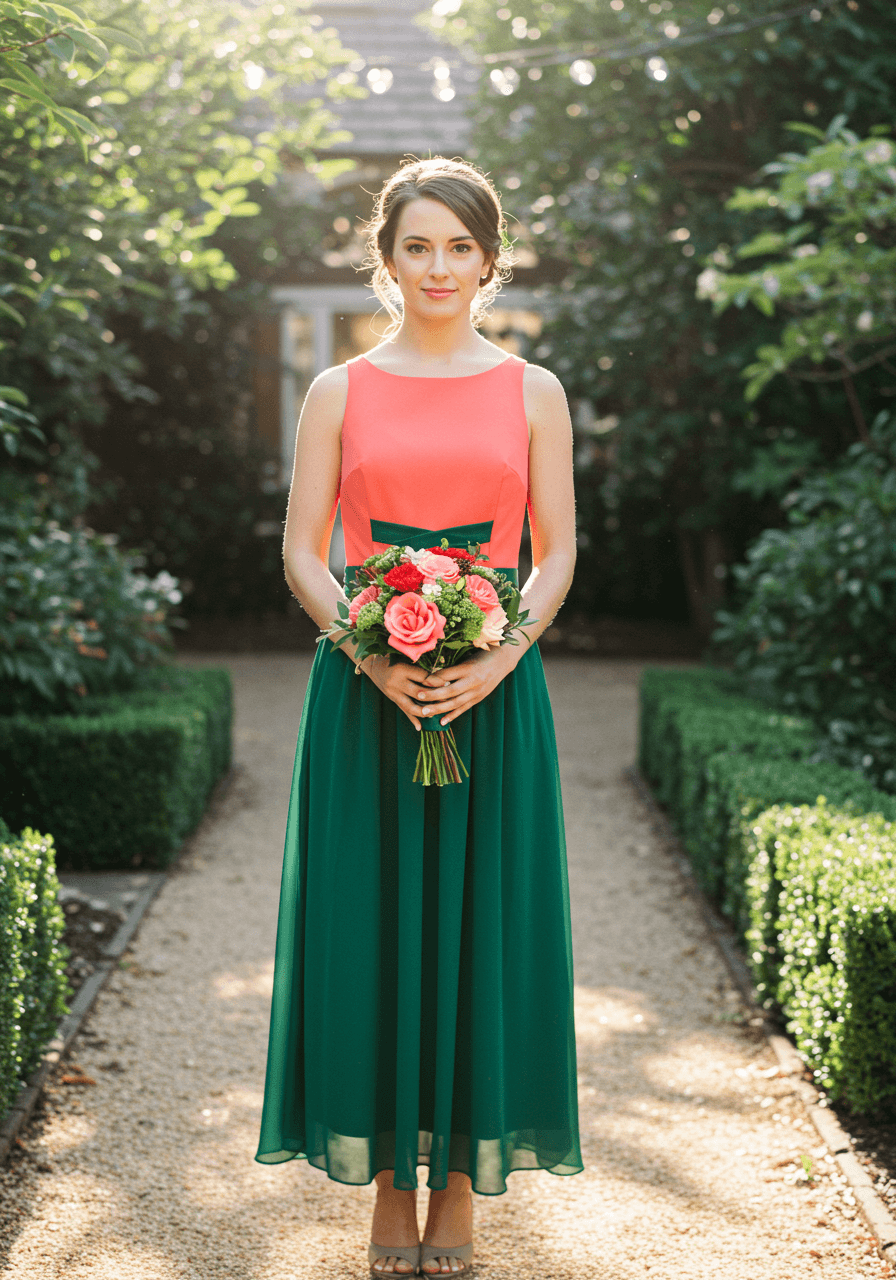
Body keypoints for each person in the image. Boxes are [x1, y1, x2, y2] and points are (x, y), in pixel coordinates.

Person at [255, 156, 582, 1277]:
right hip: (363, 698)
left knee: (477, 936)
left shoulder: (533, 388)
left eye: (459, 246)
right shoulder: (336, 389)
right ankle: (387, 1198)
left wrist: (496, 660)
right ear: (384, 260)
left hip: (492, 698)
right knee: (374, 929)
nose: (438, 268)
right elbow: (303, 550)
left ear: (490, 257)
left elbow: (556, 551)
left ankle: (457, 1205)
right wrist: (368, 653)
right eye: (416, 246)